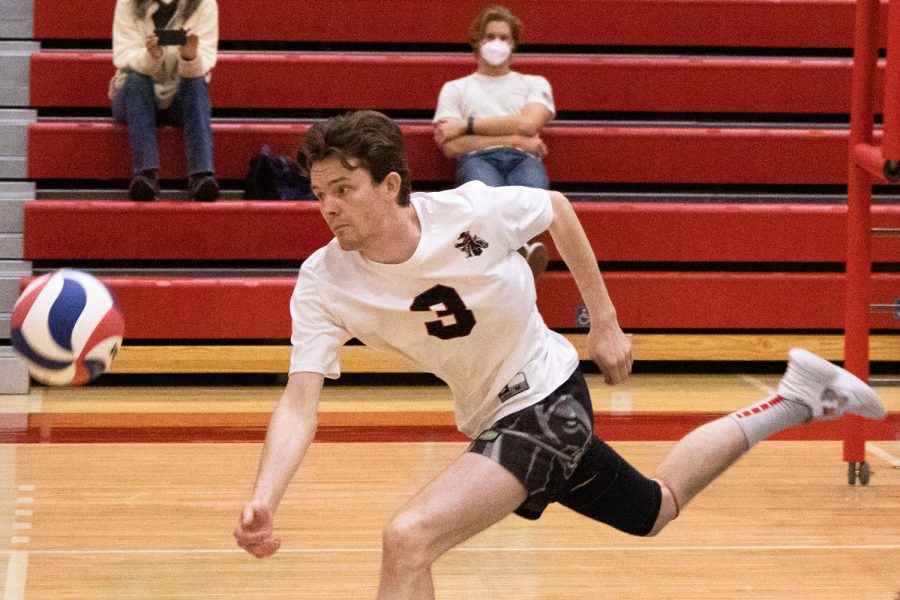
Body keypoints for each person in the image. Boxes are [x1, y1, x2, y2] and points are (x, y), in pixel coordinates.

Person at [233, 110, 886, 599]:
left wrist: (604, 322)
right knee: (654, 509)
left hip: (547, 401)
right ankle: (794, 398)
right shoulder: (323, 279)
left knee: (408, 539)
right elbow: (299, 402)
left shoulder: (471, 211)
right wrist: (266, 497)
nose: (327, 206)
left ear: (391, 184)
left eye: (343, 189)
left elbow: (557, 210)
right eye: (319, 193)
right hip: (496, 422)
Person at [433, 5, 554, 280]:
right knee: (485, 197)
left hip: (524, 159)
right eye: (490, 36)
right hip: (477, 159)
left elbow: (529, 124)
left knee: (533, 194)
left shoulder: (534, 83)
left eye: (504, 37)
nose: (497, 43)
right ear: (477, 41)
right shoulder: (455, 89)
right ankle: (520, 253)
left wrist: (466, 126)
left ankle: (508, 257)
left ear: (514, 44)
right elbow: (451, 147)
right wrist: (515, 138)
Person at [109, 0, 220, 201]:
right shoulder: (127, 3)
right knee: (135, 81)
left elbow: (206, 60)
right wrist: (152, 56)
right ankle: (146, 175)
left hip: (179, 94)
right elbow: (123, 56)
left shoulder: (205, 4)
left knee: (196, 83)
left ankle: (201, 176)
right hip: (136, 94)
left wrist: (189, 58)